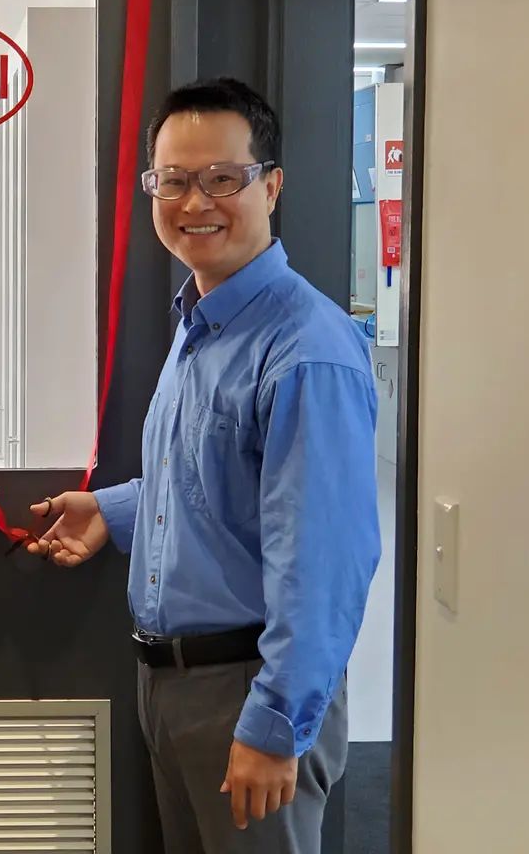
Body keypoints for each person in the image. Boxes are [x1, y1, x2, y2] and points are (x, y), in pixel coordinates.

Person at [30, 78, 381, 854]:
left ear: (271, 186)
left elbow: (323, 561)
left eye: (223, 178)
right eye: (174, 180)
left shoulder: (305, 351)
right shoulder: (204, 323)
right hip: (173, 688)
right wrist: (112, 511)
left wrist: (275, 723)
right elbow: (211, 479)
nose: (196, 203)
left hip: (248, 691)